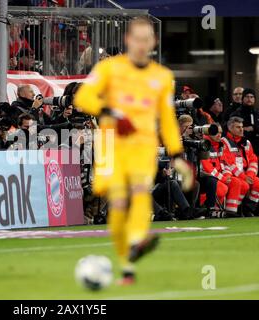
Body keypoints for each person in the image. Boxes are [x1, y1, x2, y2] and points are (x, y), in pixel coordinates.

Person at [74, 17, 192, 285]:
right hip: (112, 147)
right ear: (128, 40)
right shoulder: (109, 69)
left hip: (142, 148)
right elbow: (82, 98)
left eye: (146, 39)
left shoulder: (162, 77)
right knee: (117, 203)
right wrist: (112, 113)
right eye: (136, 39)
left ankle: (137, 240)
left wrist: (176, 154)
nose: (141, 44)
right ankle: (127, 264)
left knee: (139, 192)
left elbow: (167, 118)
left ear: (154, 42)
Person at [221, 117, 259, 217]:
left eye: (242, 127)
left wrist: (250, 175)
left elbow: (253, 160)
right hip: (231, 174)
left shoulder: (246, 142)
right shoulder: (224, 142)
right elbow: (228, 163)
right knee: (243, 184)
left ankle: (248, 209)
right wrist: (243, 177)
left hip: (245, 174)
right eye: (238, 127)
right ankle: (232, 211)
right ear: (230, 128)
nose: (241, 129)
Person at [201, 123, 246, 218]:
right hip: (208, 177)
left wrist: (228, 176)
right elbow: (208, 168)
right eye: (216, 132)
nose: (219, 135)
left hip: (220, 176)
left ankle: (231, 212)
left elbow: (225, 163)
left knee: (237, 182)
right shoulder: (204, 145)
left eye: (220, 133)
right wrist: (223, 179)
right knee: (222, 189)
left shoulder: (220, 145)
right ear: (209, 132)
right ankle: (210, 210)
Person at [230, 88, 259, 180]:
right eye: (247, 96)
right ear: (243, 99)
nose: (249, 99)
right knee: (243, 181)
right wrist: (245, 131)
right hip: (241, 152)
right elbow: (231, 132)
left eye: (252, 97)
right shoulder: (236, 114)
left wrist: (255, 129)